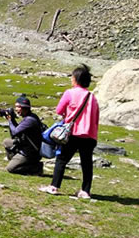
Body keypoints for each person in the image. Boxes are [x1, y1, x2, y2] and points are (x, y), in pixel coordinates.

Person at [40, 64, 100, 198]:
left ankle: (54, 186)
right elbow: (96, 117)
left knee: (61, 159)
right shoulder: (92, 97)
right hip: (89, 134)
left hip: (73, 133)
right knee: (87, 163)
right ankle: (85, 191)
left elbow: (59, 110)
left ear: (75, 79)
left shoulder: (70, 93)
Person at [2, 95, 44, 176]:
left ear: (24, 107)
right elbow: (14, 135)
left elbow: (15, 132)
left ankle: (36, 168)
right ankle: (17, 161)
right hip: (24, 146)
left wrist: (10, 121)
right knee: (7, 142)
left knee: (10, 169)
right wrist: (12, 120)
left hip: (31, 152)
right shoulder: (29, 117)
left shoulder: (30, 120)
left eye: (18, 107)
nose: (16, 109)